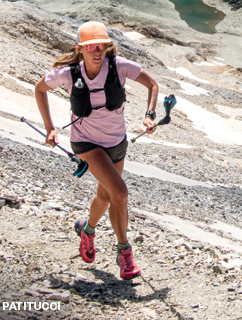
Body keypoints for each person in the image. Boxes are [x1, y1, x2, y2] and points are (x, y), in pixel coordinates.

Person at [34, 21, 159, 280]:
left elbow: (153, 85)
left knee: (106, 196)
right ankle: (124, 253)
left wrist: (149, 116)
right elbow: (40, 89)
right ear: (81, 50)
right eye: (90, 46)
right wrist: (49, 128)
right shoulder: (68, 74)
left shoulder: (120, 66)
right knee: (121, 192)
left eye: (100, 45)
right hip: (86, 144)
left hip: (116, 142)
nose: (96, 50)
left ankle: (87, 229)